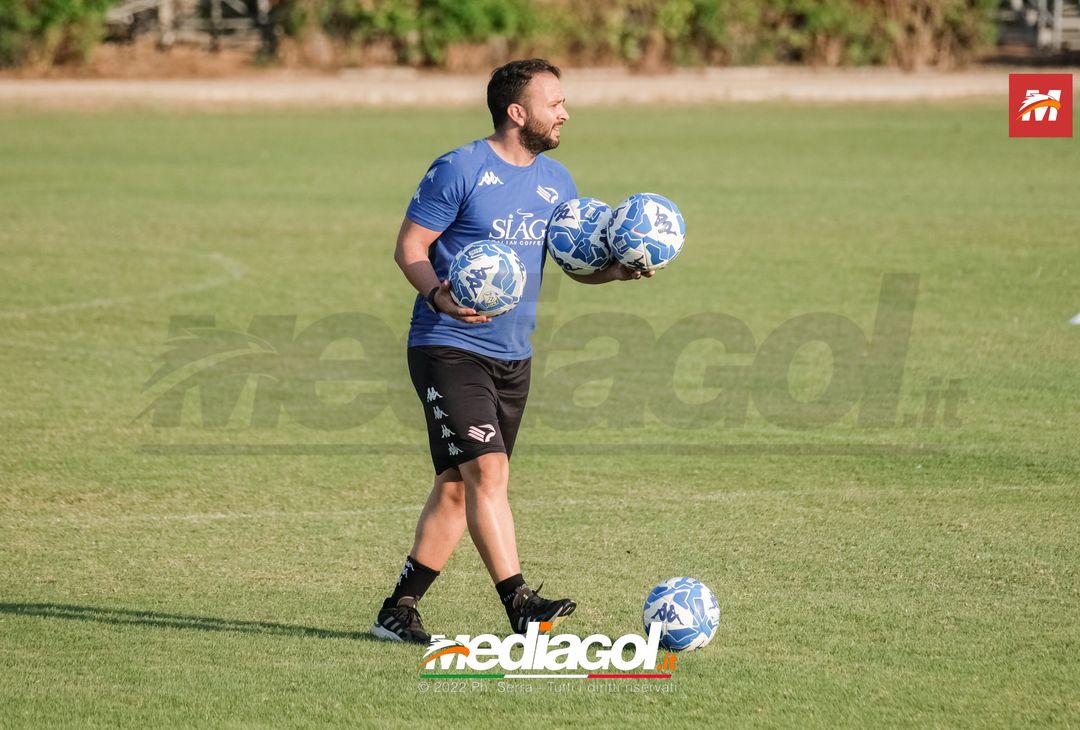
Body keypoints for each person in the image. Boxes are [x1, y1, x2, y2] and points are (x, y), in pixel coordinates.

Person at [373, 58, 650, 644]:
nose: (565, 113)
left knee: (459, 486)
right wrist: (439, 296)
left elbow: (572, 265)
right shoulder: (460, 168)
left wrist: (616, 272)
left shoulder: (559, 182)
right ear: (517, 112)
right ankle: (519, 602)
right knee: (489, 471)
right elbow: (410, 247)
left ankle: (398, 610)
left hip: (513, 356)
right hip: (448, 344)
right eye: (555, 104)